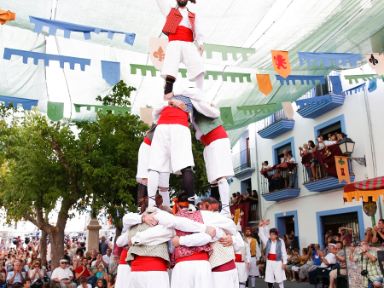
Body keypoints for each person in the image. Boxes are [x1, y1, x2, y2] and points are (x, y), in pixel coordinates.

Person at [155, 0, 204, 99]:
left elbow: (198, 30)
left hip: (188, 43)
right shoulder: (169, 10)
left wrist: (200, 43)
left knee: (198, 66)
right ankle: (168, 92)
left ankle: (200, 94)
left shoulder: (193, 15)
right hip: (174, 42)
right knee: (171, 66)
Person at [193, 109, 234, 215]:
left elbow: (215, 112)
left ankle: (226, 210)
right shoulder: (189, 111)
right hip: (208, 144)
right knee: (214, 181)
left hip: (217, 140)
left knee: (221, 176)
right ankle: (215, 210)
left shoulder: (198, 103)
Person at [258, 220, 288, 288]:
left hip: (278, 262)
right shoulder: (267, 241)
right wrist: (261, 226)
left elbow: (284, 252)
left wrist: (284, 263)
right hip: (269, 262)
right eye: (270, 234)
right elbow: (261, 235)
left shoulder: (281, 241)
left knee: (280, 278)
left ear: (276, 235)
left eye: (273, 234)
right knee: (269, 278)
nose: (271, 236)